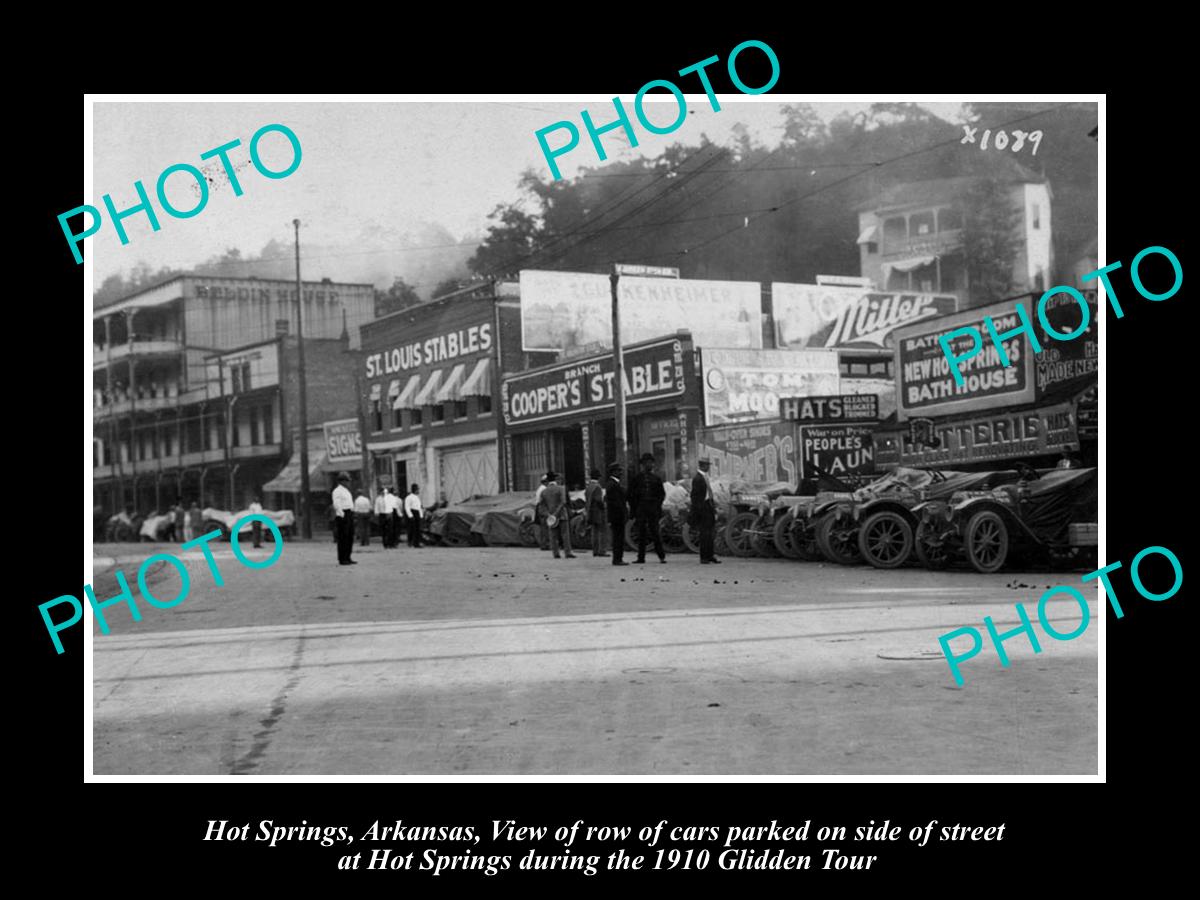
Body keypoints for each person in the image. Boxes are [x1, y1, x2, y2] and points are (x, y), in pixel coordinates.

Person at [628, 452, 666, 564]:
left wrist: (657, 506)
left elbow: (661, 494)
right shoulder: (637, 478)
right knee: (641, 533)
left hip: (653, 508)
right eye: (647, 463)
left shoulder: (657, 479)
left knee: (655, 532)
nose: (649, 465)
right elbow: (631, 495)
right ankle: (641, 557)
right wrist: (634, 509)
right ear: (643, 464)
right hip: (641, 508)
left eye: (651, 462)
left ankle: (661, 556)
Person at [691, 457, 721, 564]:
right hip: (703, 507)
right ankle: (704, 557)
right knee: (704, 533)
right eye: (707, 465)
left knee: (710, 532)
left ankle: (710, 555)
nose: (708, 467)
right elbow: (695, 496)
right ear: (703, 465)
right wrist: (699, 510)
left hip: (708, 506)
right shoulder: (698, 479)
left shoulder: (704, 477)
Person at [541, 471, 575, 560]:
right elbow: (563, 502)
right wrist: (557, 513)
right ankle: (568, 552)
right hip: (562, 514)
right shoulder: (561, 488)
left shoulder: (544, 491)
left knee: (553, 535)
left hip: (550, 517)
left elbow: (542, 506)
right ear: (555, 479)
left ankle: (555, 553)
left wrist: (549, 514)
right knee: (565, 534)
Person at [604, 463, 628, 566]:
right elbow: (616, 502)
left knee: (618, 537)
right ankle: (618, 559)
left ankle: (618, 558)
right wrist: (623, 513)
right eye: (619, 471)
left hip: (615, 515)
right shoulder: (613, 484)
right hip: (617, 516)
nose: (621, 473)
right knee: (618, 537)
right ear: (613, 472)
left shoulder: (612, 484)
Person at [331, 472, 356, 565]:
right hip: (343, 514)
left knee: (349, 536)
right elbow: (337, 504)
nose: (348, 483)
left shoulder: (346, 491)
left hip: (349, 513)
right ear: (341, 481)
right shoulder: (337, 491)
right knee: (343, 537)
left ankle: (348, 557)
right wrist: (342, 514)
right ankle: (342, 558)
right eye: (346, 481)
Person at [584, 468, 607, 557]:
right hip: (598, 511)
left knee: (594, 531)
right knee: (601, 531)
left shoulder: (588, 487)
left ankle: (595, 550)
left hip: (590, 511)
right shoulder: (597, 487)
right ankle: (602, 551)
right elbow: (598, 500)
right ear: (598, 477)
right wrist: (603, 507)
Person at [534, 474, 550, 551]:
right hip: (542, 508)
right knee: (545, 527)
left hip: (539, 507)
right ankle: (545, 544)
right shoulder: (544, 489)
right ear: (546, 482)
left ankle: (544, 543)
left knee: (543, 527)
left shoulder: (540, 488)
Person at [405, 483, 424, 547]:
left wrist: (421, 515)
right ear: (414, 490)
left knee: (418, 529)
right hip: (413, 513)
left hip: (417, 513)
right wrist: (410, 515)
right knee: (412, 529)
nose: (418, 491)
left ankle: (417, 543)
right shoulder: (409, 497)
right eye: (417, 489)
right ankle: (412, 542)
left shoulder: (417, 497)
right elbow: (407, 507)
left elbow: (419, 507)